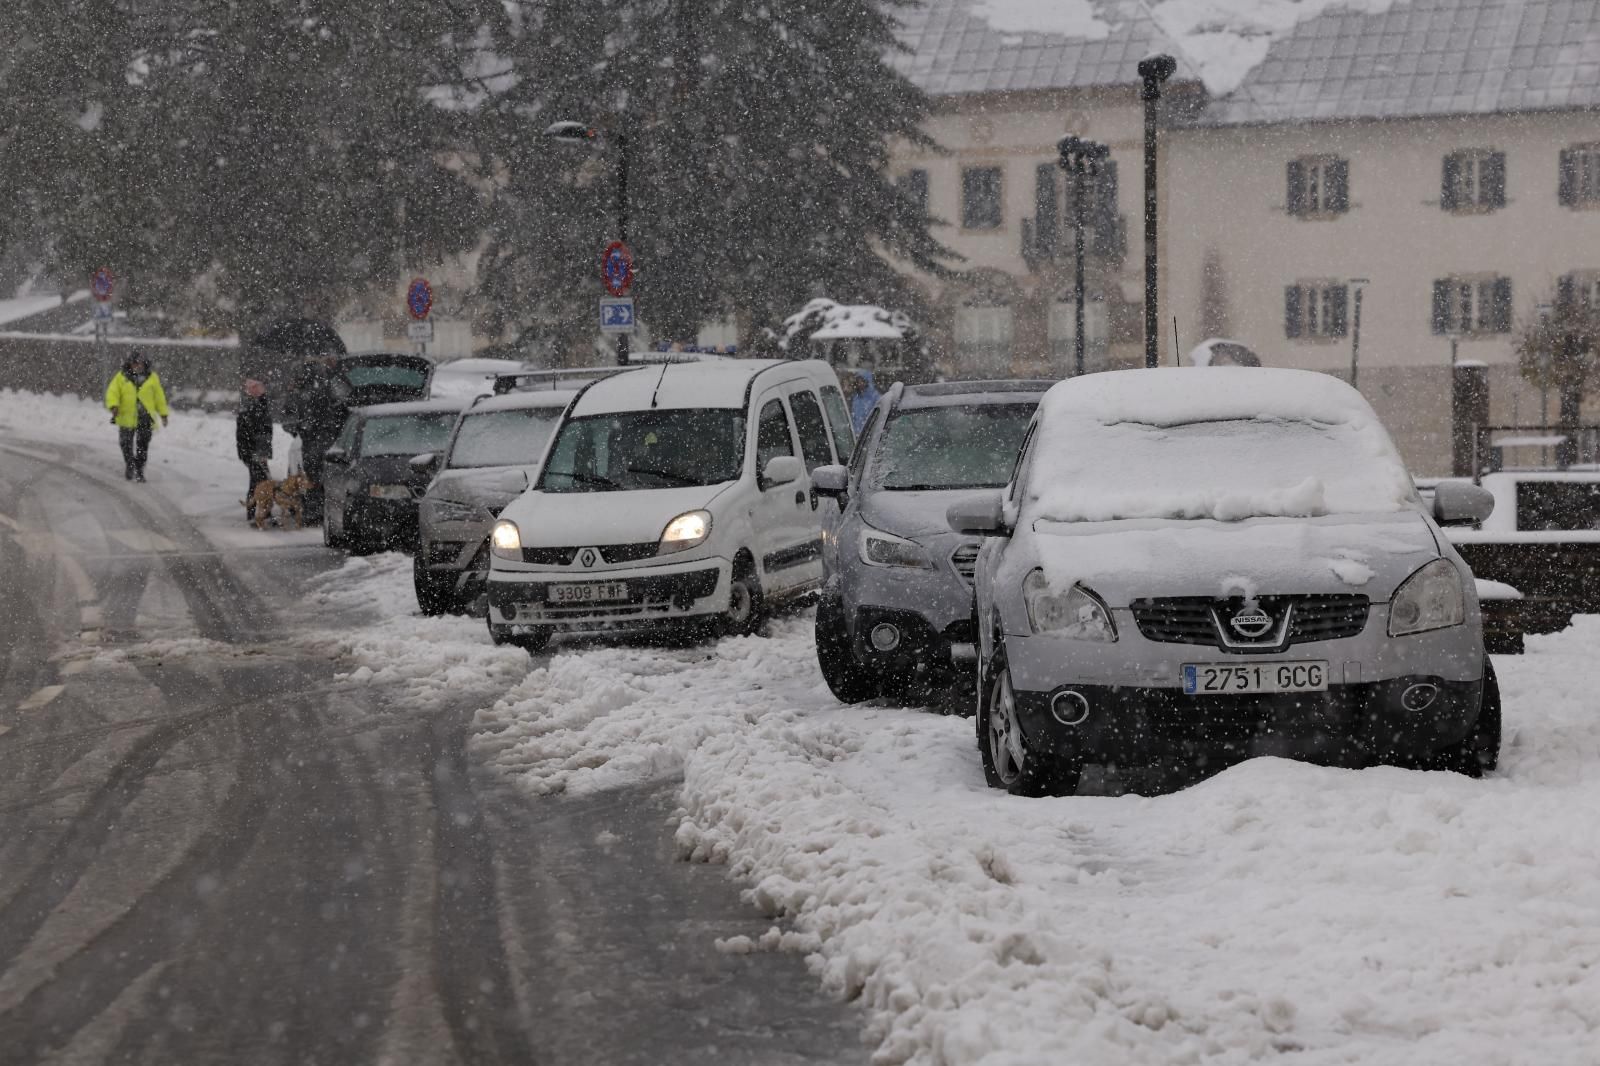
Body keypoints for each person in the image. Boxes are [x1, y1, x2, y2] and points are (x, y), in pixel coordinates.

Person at [284, 354, 349, 524]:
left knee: (314, 475)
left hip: (315, 438)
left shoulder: (309, 389)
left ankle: (314, 510)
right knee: (321, 475)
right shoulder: (329, 384)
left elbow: (290, 416)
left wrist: (301, 427)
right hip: (323, 437)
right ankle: (318, 510)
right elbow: (341, 407)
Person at [104, 351, 169, 481]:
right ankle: (130, 464)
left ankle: (139, 470)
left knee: (143, 445)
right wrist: (113, 406)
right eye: (135, 364)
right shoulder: (121, 377)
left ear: (145, 365)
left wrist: (163, 414)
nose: (137, 366)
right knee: (125, 443)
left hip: (145, 417)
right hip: (126, 416)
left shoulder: (152, 378)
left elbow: (159, 397)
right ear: (129, 364)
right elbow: (112, 392)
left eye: (140, 364)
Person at [236, 377, 274, 524]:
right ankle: (256, 514)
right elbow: (255, 432)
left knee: (260, 481)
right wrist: (259, 453)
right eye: (257, 387)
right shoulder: (252, 405)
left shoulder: (259, 404)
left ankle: (261, 513)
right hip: (254, 451)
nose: (261, 389)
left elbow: (263, 430)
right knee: (260, 482)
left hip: (254, 450)